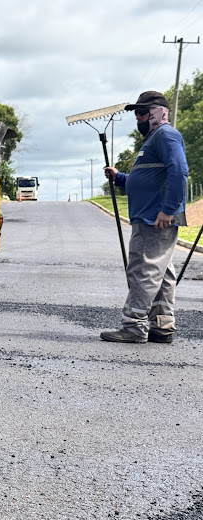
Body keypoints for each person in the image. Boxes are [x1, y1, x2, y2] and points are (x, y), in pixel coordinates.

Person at [101, 90, 188, 343]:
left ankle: (134, 326)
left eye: (141, 113)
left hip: (156, 216)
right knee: (161, 272)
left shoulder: (165, 134)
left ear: (156, 113)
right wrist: (120, 178)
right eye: (136, 114)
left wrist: (168, 210)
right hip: (153, 214)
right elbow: (149, 179)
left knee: (143, 269)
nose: (137, 118)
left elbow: (179, 171)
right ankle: (161, 325)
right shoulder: (154, 139)